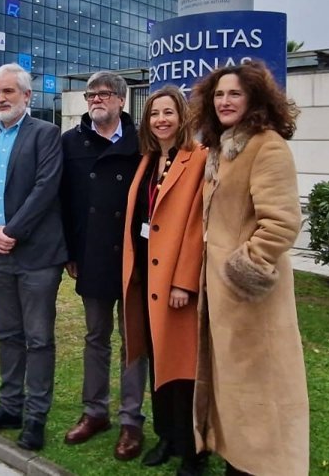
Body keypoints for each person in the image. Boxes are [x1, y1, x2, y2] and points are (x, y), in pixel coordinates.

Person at [190, 61, 308, 476]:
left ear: (254, 99)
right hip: (222, 300)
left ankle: (261, 466)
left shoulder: (267, 146)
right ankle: (237, 461)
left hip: (250, 300)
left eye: (234, 94)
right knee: (234, 391)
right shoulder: (222, 149)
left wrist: (241, 272)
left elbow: (282, 224)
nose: (224, 101)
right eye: (219, 94)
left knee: (260, 393)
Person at [0, 63, 66, 451]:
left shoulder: (46, 133)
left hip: (37, 256)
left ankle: (36, 417)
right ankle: (10, 407)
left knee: (38, 339)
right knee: (7, 335)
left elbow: (46, 188)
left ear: (27, 96)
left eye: (9, 91)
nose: (1, 98)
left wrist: (11, 231)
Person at [58, 72, 148, 459]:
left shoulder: (143, 142)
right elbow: (64, 202)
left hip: (132, 257)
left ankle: (131, 420)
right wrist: (70, 252)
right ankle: (95, 412)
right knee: (96, 337)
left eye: (105, 93)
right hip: (91, 255)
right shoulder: (70, 142)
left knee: (133, 341)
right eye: (91, 94)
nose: (96, 99)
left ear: (122, 100)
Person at [122, 86, 210, 476]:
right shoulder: (148, 160)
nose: (161, 119)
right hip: (146, 278)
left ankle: (194, 451)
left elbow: (198, 226)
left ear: (182, 117)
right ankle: (167, 437)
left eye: (168, 112)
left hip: (175, 283)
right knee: (158, 361)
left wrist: (183, 282)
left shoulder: (199, 158)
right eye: (155, 113)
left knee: (184, 368)